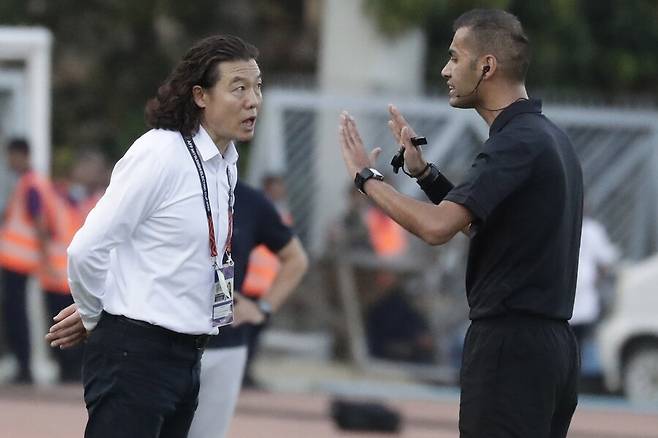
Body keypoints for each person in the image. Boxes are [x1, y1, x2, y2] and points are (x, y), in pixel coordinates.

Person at [338, 9, 583, 438]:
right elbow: (481, 226)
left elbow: (437, 228)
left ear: (486, 66)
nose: (444, 69)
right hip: (551, 350)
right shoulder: (547, 137)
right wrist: (425, 174)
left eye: (454, 56)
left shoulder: (516, 143)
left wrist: (366, 178)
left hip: (510, 348)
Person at [46, 35, 262, 438]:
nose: (253, 100)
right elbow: (87, 249)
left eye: (257, 86)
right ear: (200, 95)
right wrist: (97, 317)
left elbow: (157, 254)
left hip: (188, 357)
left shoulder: (224, 166)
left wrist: (109, 301)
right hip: (136, 358)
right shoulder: (160, 153)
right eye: (239, 88)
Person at [187, 179, 308, 438]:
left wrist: (262, 308)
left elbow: (296, 259)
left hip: (225, 345)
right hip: (161, 339)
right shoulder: (169, 185)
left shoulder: (249, 200)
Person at [0, 138, 75, 384]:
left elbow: (41, 223)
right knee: (19, 314)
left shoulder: (31, 184)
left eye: (10, 155)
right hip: (22, 260)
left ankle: (24, 367)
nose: (8, 161)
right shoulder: (33, 183)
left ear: (21, 155)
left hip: (19, 261)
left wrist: (46, 261)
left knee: (16, 315)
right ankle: (25, 365)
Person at [570, 216, 618, 347]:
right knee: (581, 346)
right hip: (583, 301)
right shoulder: (592, 229)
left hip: (572, 301)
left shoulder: (591, 229)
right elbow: (606, 261)